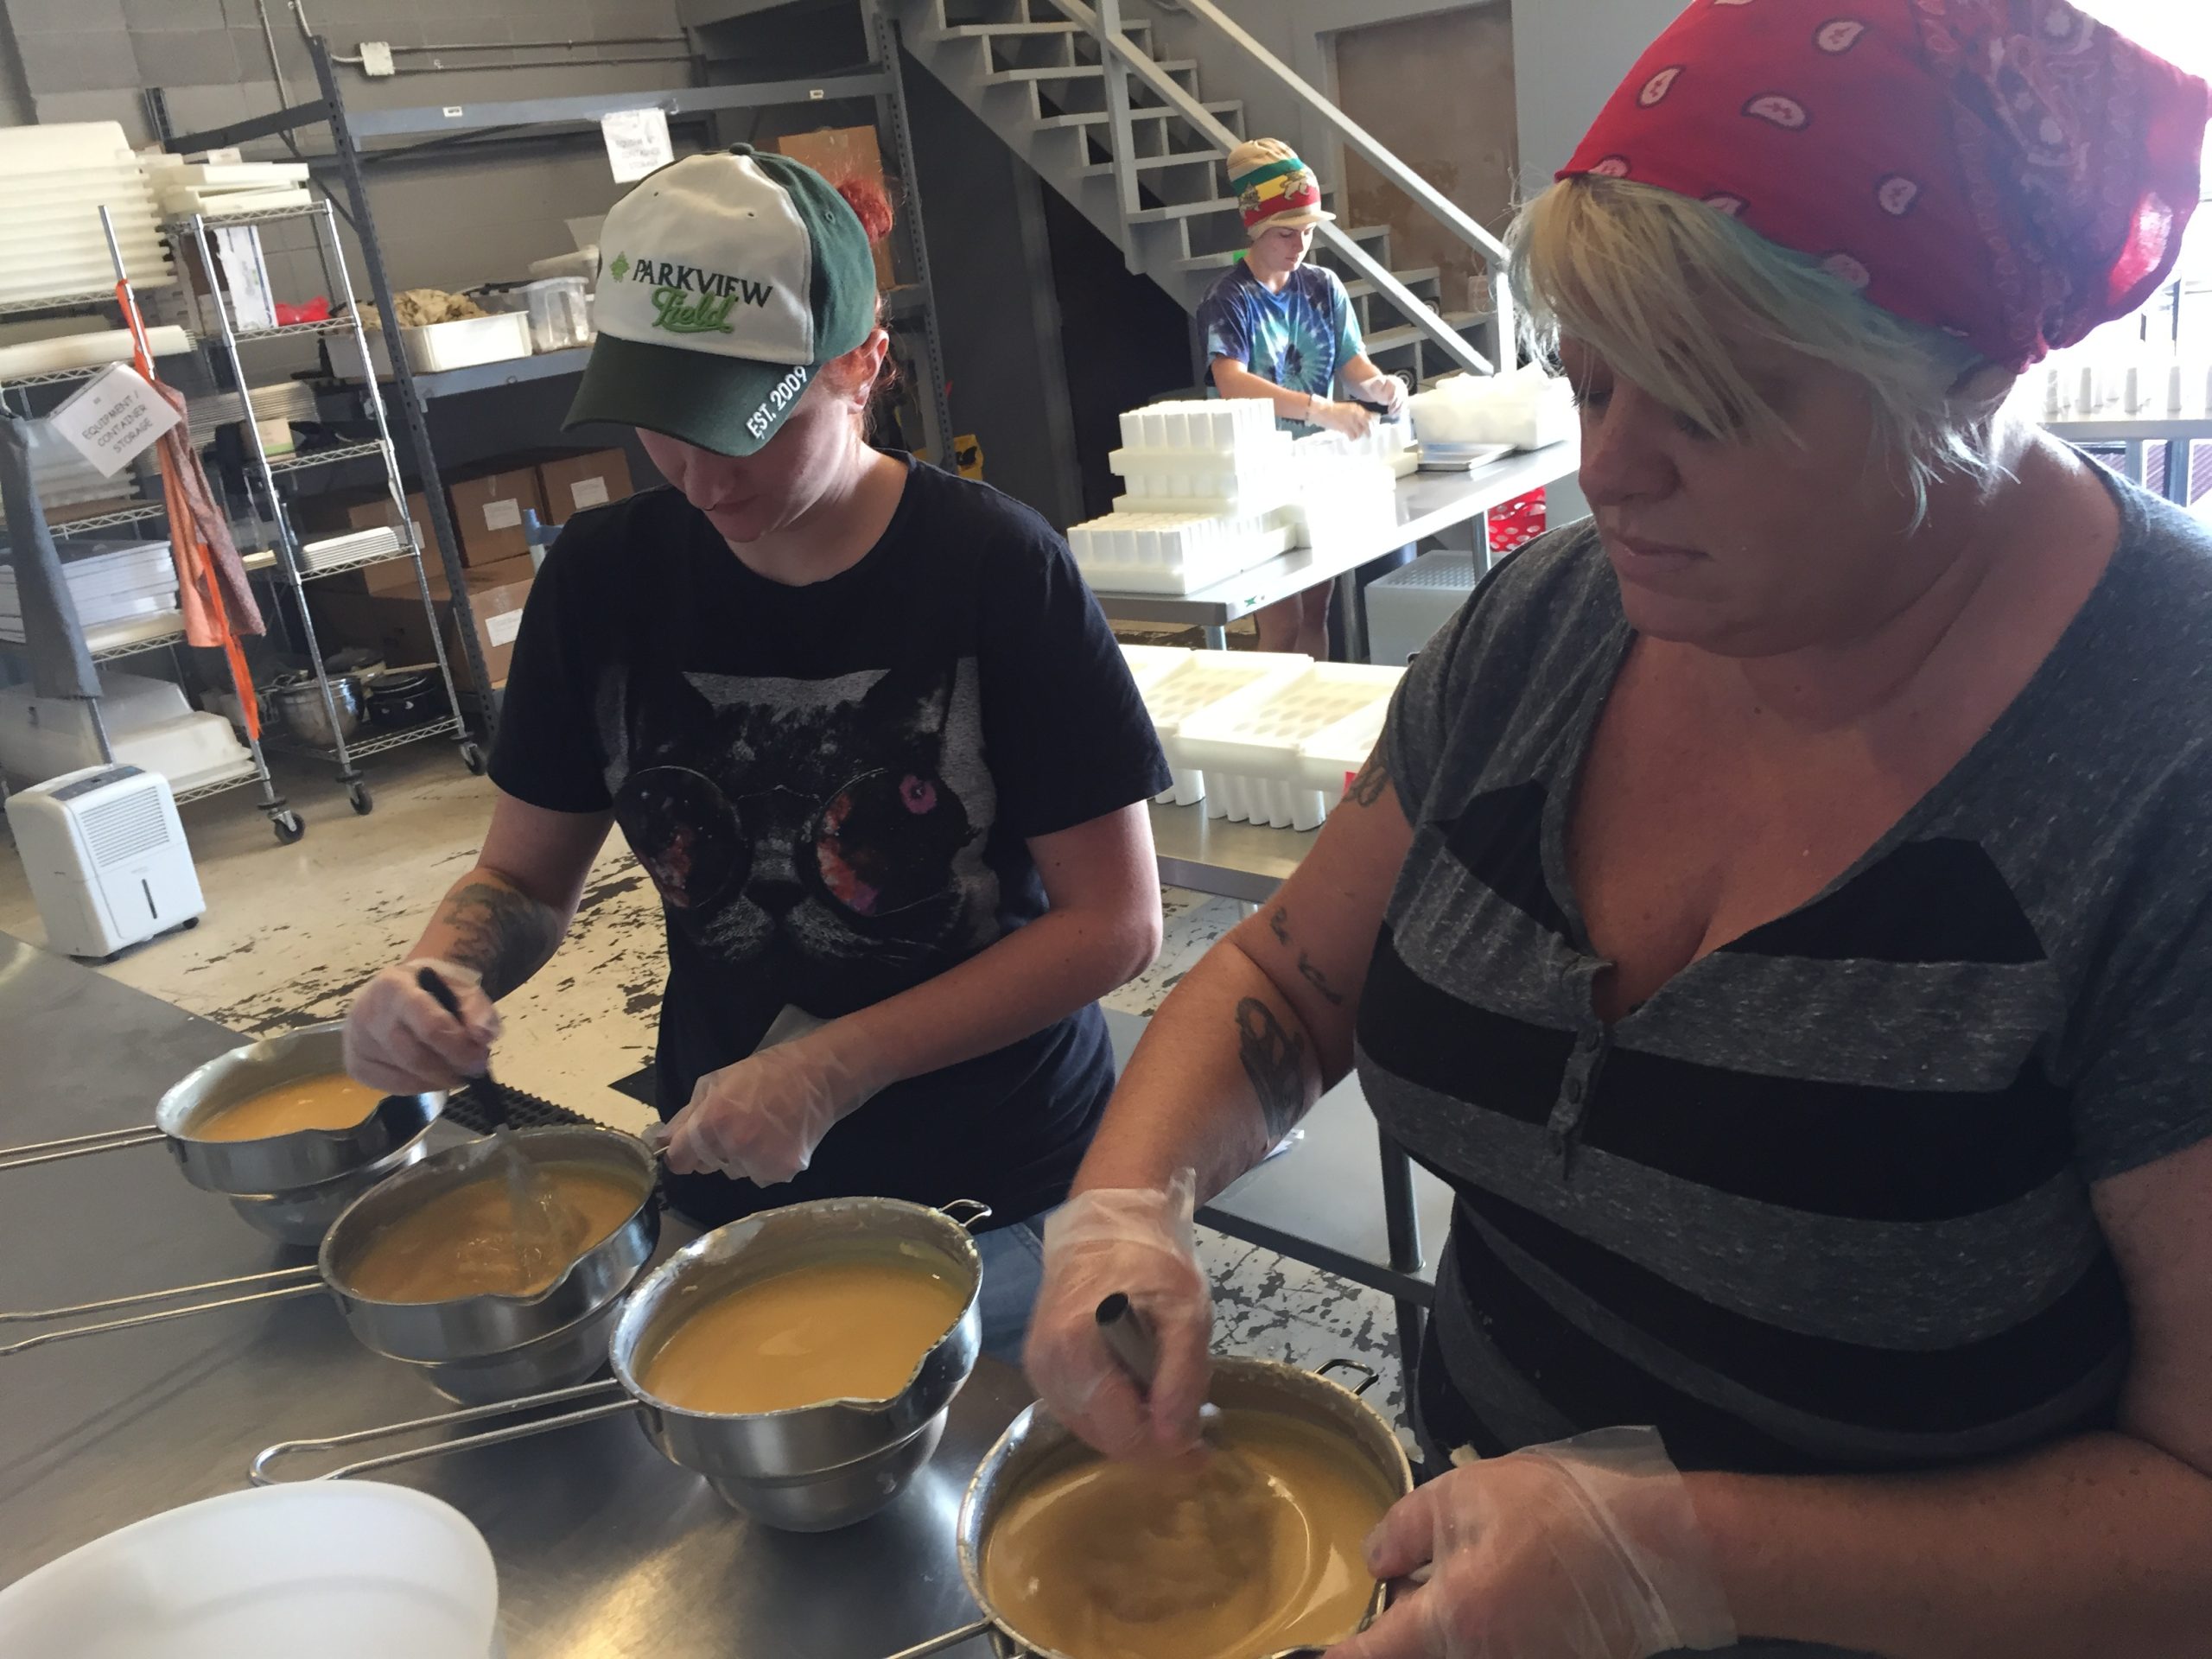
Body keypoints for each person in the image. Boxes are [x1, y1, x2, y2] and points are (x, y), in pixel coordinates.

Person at [1026, 3, 2212, 1655]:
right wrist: (1128, 1204)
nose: (1608, 471)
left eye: (1710, 407)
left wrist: (1689, 1558)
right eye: (1583, 378)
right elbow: (1298, 984)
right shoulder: (1549, 631)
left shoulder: (2171, 769)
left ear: (1983, 380)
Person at [341, 146, 1171, 1361]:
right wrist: (434, 977)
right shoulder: (603, 582)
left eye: (744, 424)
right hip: (729, 1180)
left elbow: (1115, 924)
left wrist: (835, 1070)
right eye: (662, 424)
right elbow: (520, 883)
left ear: (863, 366)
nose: (698, 473)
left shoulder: (996, 571)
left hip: (1006, 1194)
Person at [1198, 138, 1409, 657]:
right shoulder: (1229, 298)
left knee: (1317, 606)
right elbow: (1232, 382)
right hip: (1259, 474)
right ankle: (1276, 715)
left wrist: (1380, 385)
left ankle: (1316, 706)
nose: (1299, 245)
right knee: (1282, 619)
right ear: (1255, 230)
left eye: (1309, 232)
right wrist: (1319, 408)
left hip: (1316, 466)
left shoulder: (1322, 285)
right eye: (1285, 233)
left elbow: (1350, 362)